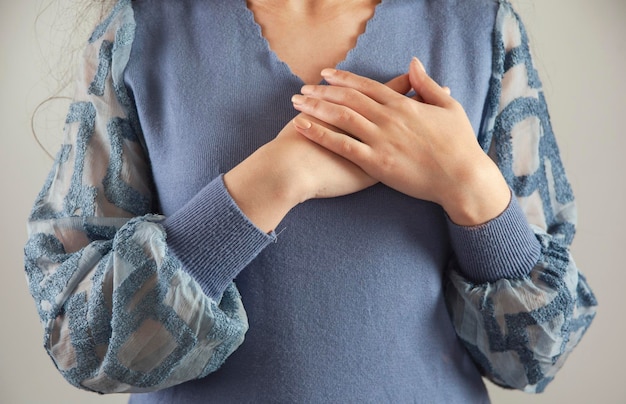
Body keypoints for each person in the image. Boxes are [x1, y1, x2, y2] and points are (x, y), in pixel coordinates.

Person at [24, 0, 597, 402]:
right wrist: (272, 182)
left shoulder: (481, 28)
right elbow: (81, 338)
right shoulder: (139, 35)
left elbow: (535, 357)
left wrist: (470, 186)